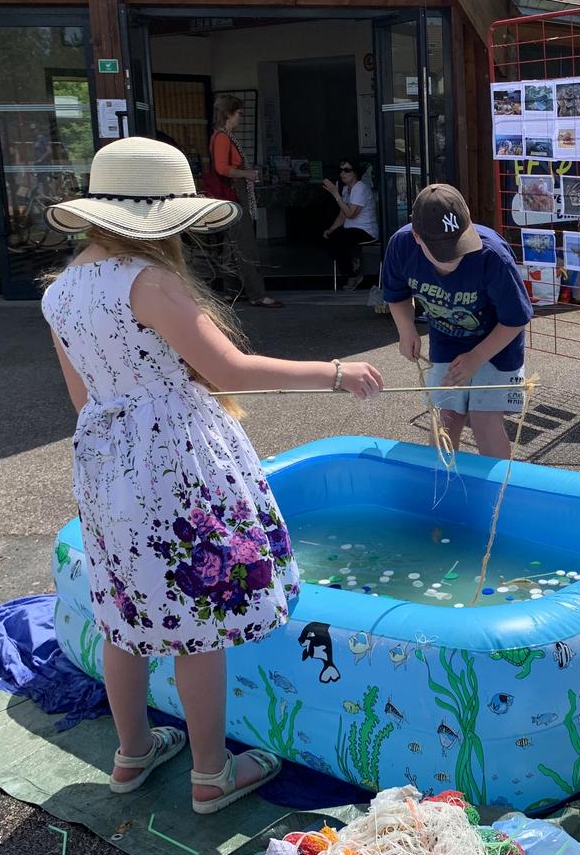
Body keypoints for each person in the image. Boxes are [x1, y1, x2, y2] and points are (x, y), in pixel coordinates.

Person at [41, 137, 383, 814]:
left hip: (107, 461)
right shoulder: (148, 280)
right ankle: (208, 774)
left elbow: (84, 399)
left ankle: (132, 753)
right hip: (177, 461)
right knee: (198, 617)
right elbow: (227, 369)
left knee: (124, 612)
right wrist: (334, 372)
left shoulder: (62, 291)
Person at [381, 184, 533, 459]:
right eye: (442, 250)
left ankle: (499, 495)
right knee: (445, 417)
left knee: (484, 419)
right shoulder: (401, 246)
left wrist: (477, 357)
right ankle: (443, 488)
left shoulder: (493, 256)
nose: (454, 258)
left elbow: (516, 319)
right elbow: (396, 293)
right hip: (447, 339)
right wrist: (406, 330)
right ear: (417, 236)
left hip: (498, 343)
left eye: (459, 245)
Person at [208, 94, 282, 308]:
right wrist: (246, 174)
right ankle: (257, 294)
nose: (240, 117)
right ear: (229, 113)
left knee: (232, 246)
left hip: (231, 193)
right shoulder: (223, 137)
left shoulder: (220, 135)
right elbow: (222, 168)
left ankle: (232, 290)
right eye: (239, 113)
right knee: (246, 245)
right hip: (234, 193)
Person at [322, 158, 379, 291]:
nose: (343, 173)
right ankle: (351, 269)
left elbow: (350, 214)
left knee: (339, 240)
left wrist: (335, 195)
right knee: (328, 239)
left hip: (365, 231)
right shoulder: (346, 190)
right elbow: (342, 215)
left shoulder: (360, 188)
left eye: (347, 170)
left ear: (355, 173)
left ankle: (353, 273)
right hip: (350, 230)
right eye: (340, 170)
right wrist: (331, 229)